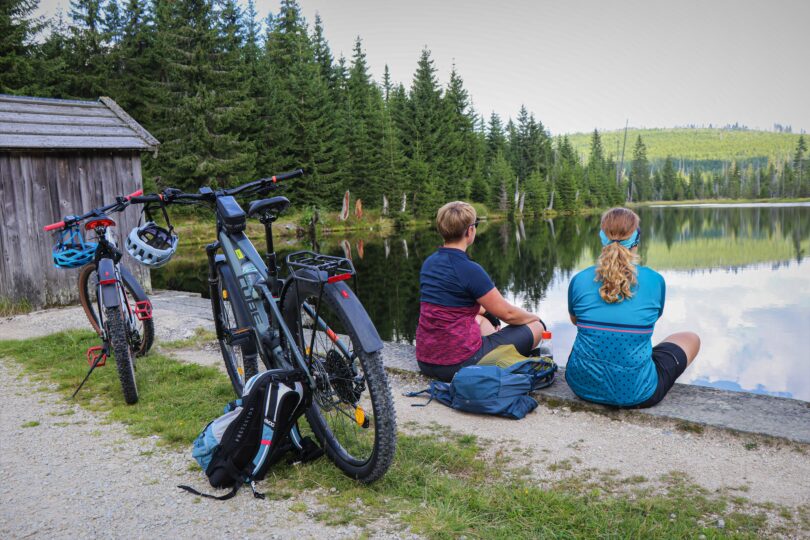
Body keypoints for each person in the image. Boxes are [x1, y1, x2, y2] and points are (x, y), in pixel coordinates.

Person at [566, 207, 700, 408]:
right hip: (636, 393)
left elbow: (576, 321)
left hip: (582, 386)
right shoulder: (654, 280)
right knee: (691, 338)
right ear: (636, 239)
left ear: (602, 237)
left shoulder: (579, 279)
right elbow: (652, 319)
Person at [415, 201, 546, 382]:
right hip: (458, 364)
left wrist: (489, 314)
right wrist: (534, 317)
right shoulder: (469, 269)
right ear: (470, 231)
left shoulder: (429, 263)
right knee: (537, 327)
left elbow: (451, 306)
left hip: (425, 360)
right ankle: (495, 360)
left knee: (481, 318)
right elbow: (508, 314)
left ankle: (493, 354)